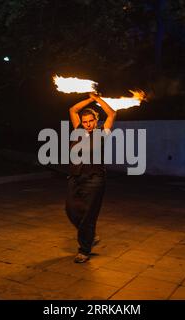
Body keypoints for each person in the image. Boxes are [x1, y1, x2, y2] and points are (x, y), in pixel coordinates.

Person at [66, 92, 116, 263]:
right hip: (75, 176)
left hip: (95, 179)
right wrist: (89, 98)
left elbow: (112, 113)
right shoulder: (78, 130)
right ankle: (90, 234)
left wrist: (98, 99)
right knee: (70, 209)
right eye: (85, 121)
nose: (87, 124)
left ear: (96, 121)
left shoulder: (103, 132)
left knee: (89, 214)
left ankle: (84, 250)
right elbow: (73, 109)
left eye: (90, 121)